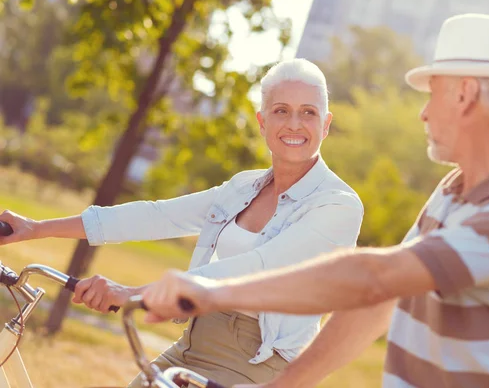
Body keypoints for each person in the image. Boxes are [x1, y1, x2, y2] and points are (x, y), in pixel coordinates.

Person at [139, 14, 489, 388]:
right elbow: (380, 301)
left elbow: (373, 277)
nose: (424, 112)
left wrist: (211, 290)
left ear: (465, 94)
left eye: (433, 94)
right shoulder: (455, 190)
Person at [0, 59, 364, 387]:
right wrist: (36, 227)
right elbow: (158, 215)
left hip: (255, 365)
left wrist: (135, 293)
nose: (294, 124)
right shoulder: (244, 186)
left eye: (309, 113)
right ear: (262, 121)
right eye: (281, 110)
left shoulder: (338, 206)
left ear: (326, 124)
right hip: (192, 341)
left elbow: (257, 269)